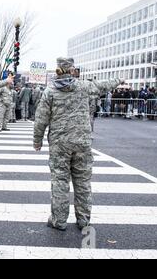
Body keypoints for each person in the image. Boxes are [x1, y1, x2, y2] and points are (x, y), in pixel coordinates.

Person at [33, 57, 123, 232]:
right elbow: (103, 85)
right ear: (72, 70)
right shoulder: (83, 86)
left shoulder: (50, 91)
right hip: (82, 142)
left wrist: (37, 141)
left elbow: (41, 118)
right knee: (82, 181)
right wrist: (119, 79)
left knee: (60, 180)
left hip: (60, 143)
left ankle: (59, 220)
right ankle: (83, 219)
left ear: (58, 69)